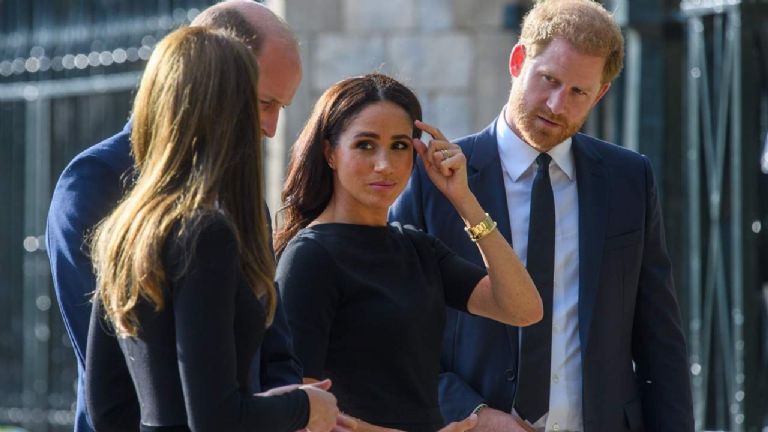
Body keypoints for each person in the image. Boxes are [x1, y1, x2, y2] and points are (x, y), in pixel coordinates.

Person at [390, 1, 695, 431]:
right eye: (548, 79)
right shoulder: (434, 179)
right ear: (518, 61)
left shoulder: (629, 179)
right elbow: (391, 331)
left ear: (601, 93)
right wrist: (470, 412)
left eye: (578, 92)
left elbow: (660, 340)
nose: (556, 104)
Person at [45, 2, 302, 431]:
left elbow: (274, 341)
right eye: (263, 103)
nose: (272, 128)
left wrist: (285, 402)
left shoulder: (241, 197)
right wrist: (294, 409)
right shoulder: (94, 182)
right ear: (211, 80)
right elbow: (117, 372)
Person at [274, 73, 543, 432]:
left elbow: (523, 308)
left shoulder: (418, 248)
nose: (384, 164)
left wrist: (463, 200)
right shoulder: (310, 257)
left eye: (400, 146)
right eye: (365, 145)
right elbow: (301, 414)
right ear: (330, 153)